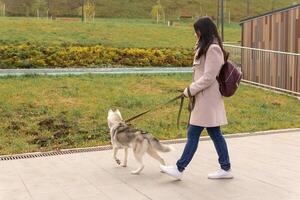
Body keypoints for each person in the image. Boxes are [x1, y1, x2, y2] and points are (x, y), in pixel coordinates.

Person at [160, 16, 233, 180]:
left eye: (196, 31)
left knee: (193, 133)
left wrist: (190, 90)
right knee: (214, 133)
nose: (195, 34)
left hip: (207, 99)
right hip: (205, 98)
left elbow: (208, 77)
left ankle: (179, 168)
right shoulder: (206, 46)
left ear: (202, 31)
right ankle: (226, 168)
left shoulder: (213, 49)